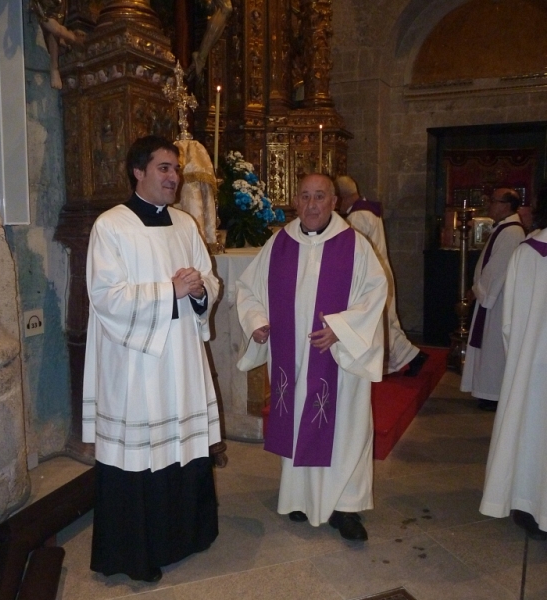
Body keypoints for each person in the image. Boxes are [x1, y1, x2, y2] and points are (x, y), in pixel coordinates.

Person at [82, 135, 221, 583]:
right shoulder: (111, 226)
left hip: (180, 359)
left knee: (181, 449)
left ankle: (184, 537)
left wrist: (200, 290)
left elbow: (210, 281)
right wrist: (171, 291)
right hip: (137, 364)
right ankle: (134, 554)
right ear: (138, 172)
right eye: (164, 168)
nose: (173, 177)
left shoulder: (185, 225)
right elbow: (105, 296)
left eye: (176, 169)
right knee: (139, 458)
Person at [236, 173, 387, 541]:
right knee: (299, 418)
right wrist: (256, 322)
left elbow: (375, 293)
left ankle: (346, 507)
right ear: (295, 201)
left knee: (346, 429)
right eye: (304, 196)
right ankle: (300, 497)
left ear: (334, 201)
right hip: (293, 359)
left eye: (320, 196)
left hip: (337, 359)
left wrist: (341, 328)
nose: (312, 204)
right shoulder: (279, 243)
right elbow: (248, 288)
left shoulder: (355, 245)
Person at [479, 191, 547, 540]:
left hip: (534, 369)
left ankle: (530, 503)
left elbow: (510, 325)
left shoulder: (530, 253)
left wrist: (519, 359)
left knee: (533, 433)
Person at [335, 175, 428, 376]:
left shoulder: (358, 216)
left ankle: (413, 356)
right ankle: (411, 357)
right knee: (386, 320)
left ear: (343, 197)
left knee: (383, 320)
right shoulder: (368, 211)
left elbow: (352, 250)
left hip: (371, 275)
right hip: (377, 271)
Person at [460, 188, 525, 411]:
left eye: (493, 201)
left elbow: (498, 269)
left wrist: (479, 289)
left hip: (498, 300)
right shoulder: (504, 229)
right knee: (489, 346)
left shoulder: (512, 232)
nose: (489, 205)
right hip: (491, 296)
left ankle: (493, 394)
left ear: (506, 205)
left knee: (494, 347)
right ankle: (487, 391)